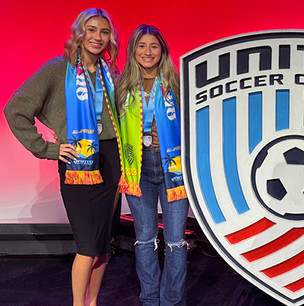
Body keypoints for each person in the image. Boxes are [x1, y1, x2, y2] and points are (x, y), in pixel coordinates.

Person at [4, 8, 120, 306]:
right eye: (91, 30)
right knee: (87, 247)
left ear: (110, 38)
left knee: (103, 246)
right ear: (79, 33)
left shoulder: (111, 74)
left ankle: (92, 303)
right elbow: (14, 110)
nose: (97, 37)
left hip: (111, 161)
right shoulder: (58, 69)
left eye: (104, 32)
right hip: (79, 163)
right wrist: (49, 149)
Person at [116, 24, 189, 306]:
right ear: (133, 50)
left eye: (154, 46)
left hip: (173, 167)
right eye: (142, 46)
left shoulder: (176, 84)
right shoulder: (122, 86)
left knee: (175, 242)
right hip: (139, 170)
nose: (148, 52)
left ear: (163, 51)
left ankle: (172, 300)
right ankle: (149, 299)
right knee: (145, 239)